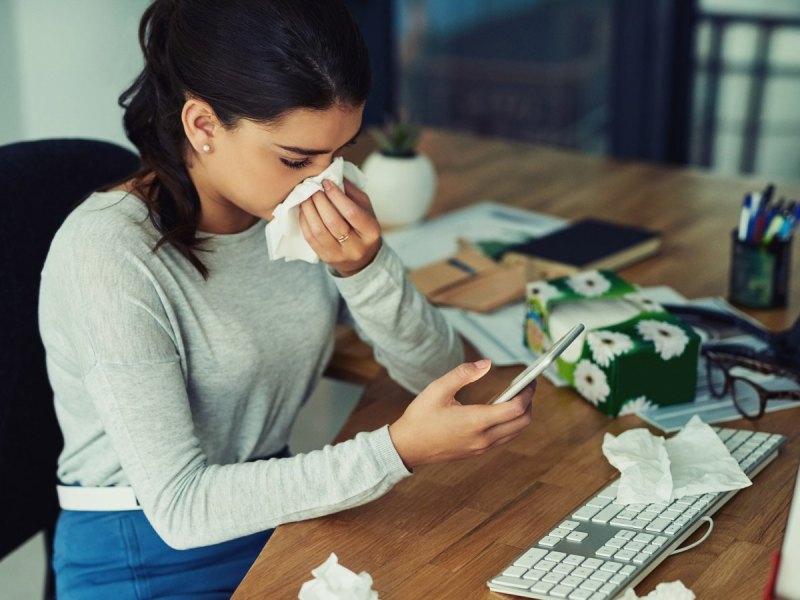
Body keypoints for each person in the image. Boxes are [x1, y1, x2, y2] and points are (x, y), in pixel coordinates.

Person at [38, 1, 535, 597]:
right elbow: (181, 507)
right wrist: (396, 450)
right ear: (202, 127)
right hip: (146, 548)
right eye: (297, 159)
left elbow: (439, 373)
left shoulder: (295, 206)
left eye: (341, 152)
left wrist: (365, 269)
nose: (325, 182)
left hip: (276, 510)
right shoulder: (108, 254)